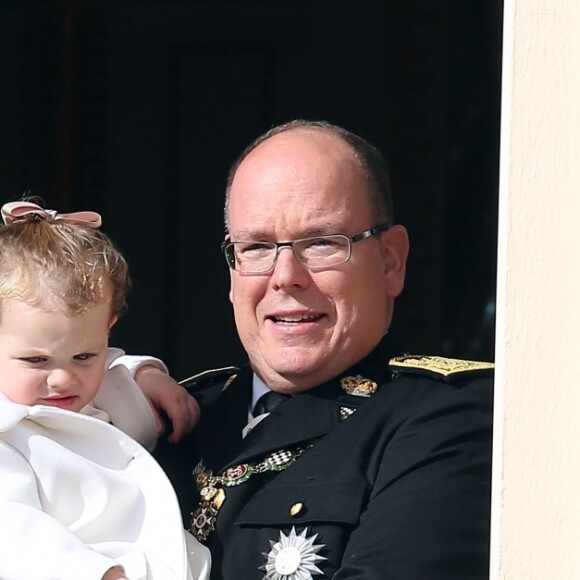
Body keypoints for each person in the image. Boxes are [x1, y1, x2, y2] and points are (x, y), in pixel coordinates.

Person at [158, 120, 494, 579]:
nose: (285, 276)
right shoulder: (175, 416)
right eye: (256, 247)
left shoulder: (451, 415)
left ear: (390, 261)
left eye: (321, 242)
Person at [0, 201, 210, 580]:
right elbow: (13, 533)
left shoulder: (98, 385)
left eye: (83, 355)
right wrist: (100, 573)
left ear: (109, 328)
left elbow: (115, 365)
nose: (63, 378)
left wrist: (146, 373)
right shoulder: (7, 434)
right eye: (36, 361)